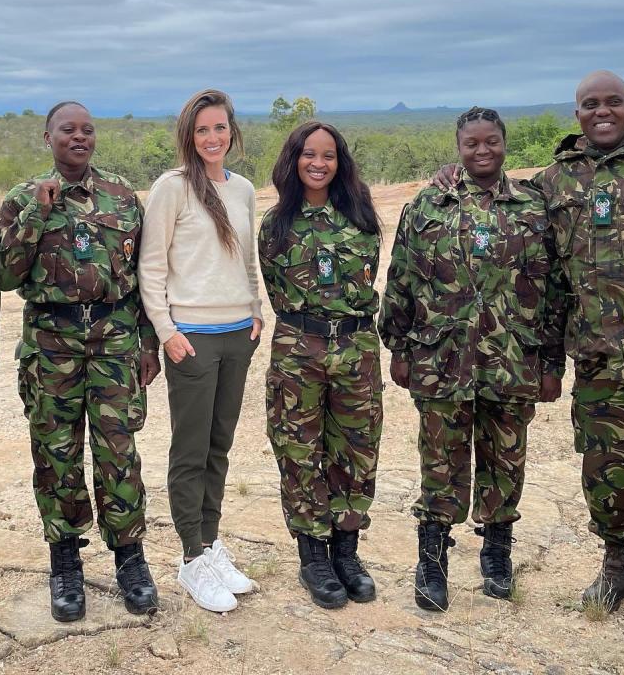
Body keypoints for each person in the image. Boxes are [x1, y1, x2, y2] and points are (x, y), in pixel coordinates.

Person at [433, 74, 624, 639]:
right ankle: (619, 568)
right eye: (590, 104)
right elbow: (505, 195)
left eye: (612, 102)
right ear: (577, 114)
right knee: (606, 468)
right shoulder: (555, 180)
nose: (602, 111)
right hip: (597, 361)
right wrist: (453, 177)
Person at [381, 106, 563, 612]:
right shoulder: (428, 205)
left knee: (506, 459)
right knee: (440, 462)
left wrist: (552, 362)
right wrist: (399, 348)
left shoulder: (532, 207)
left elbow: (554, 291)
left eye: (491, 142)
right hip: (442, 361)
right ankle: (432, 561)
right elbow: (402, 280)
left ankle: (497, 553)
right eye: (471, 144)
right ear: (458, 148)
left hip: (513, 359)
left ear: (505, 143)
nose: (482, 151)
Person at [0, 101, 160, 619]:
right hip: (51, 343)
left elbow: (144, 277)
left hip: (113, 342)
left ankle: (130, 557)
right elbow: (2, 274)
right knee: (56, 454)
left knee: (118, 451)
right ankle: (65, 561)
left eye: (87, 130)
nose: (79, 137)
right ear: (48, 138)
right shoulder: (23, 198)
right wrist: (38, 213)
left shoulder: (123, 197)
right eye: (68, 130)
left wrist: (148, 342)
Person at [138, 89, 262, 613]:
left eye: (220, 128)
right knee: (189, 451)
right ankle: (191, 558)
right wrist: (167, 330)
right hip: (192, 338)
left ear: (232, 130)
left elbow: (248, 257)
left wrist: (256, 307)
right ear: (189, 136)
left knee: (220, 444)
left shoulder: (245, 190)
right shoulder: (173, 188)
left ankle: (212, 545)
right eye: (202, 130)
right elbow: (152, 266)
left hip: (239, 334)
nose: (213, 138)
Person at [258, 121, 383, 609]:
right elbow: (273, 287)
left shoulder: (360, 214)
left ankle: (346, 552)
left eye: (328, 155)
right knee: (298, 449)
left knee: (356, 449)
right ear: (293, 159)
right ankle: (313, 556)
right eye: (308, 154)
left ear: (340, 161)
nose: (318, 163)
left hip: (356, 348)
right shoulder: (276, 224)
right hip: (298, 346)